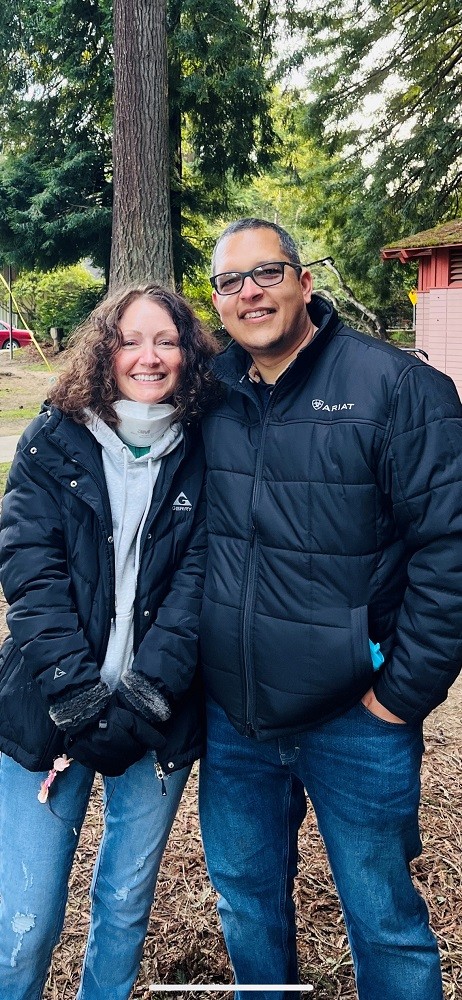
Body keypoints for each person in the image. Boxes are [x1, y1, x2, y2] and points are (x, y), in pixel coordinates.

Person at [198, 217, 462, 1000]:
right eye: (230, 281)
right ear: (217, 302)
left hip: (356, 719)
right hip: (236, 719)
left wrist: (398, 700)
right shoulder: (211, 394)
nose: (250, 292)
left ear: (305, 281)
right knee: (246, 907)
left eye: (267, 272)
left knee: (383, 921)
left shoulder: (399, 389)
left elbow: (449, 554)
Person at [0, 282, 219, 1000]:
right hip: (45, 713)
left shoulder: (209, 448)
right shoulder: (51, 439)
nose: (147, 357)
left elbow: (200, 584)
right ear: (104, 350)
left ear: (188, 353)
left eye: (166, 340)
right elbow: (30, 574)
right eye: (130, 339)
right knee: (23, 925)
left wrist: (142, 701)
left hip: (157, 721)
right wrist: (80, 700)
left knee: (124, 908)